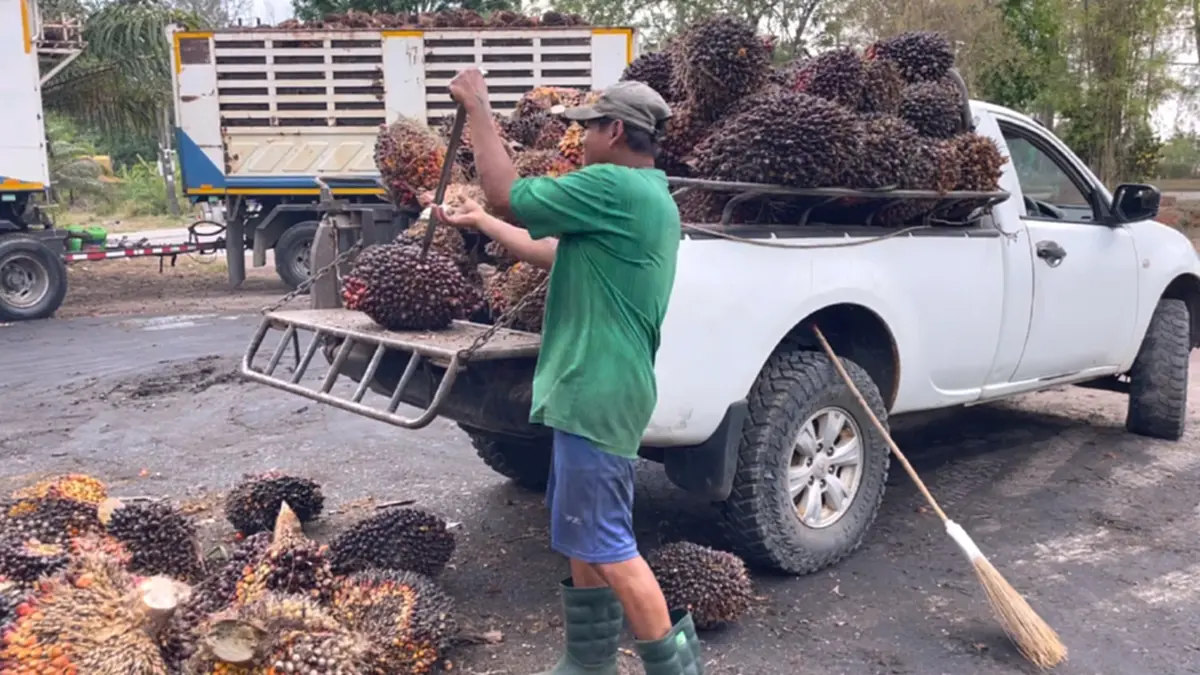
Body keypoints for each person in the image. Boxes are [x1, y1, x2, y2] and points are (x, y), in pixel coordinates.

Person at [434, 68, 703, 675]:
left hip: (597, 388)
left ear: (614, 130)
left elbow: (508, 193)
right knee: (585, 534)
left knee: (610, 546)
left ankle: (677, 669)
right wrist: (481, 224)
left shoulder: (615, 187)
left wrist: (478, 105)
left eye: (587, 129)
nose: (580, 141)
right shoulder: (645, 199)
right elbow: (550, 248)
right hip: (595, 388)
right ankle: (590, 661)